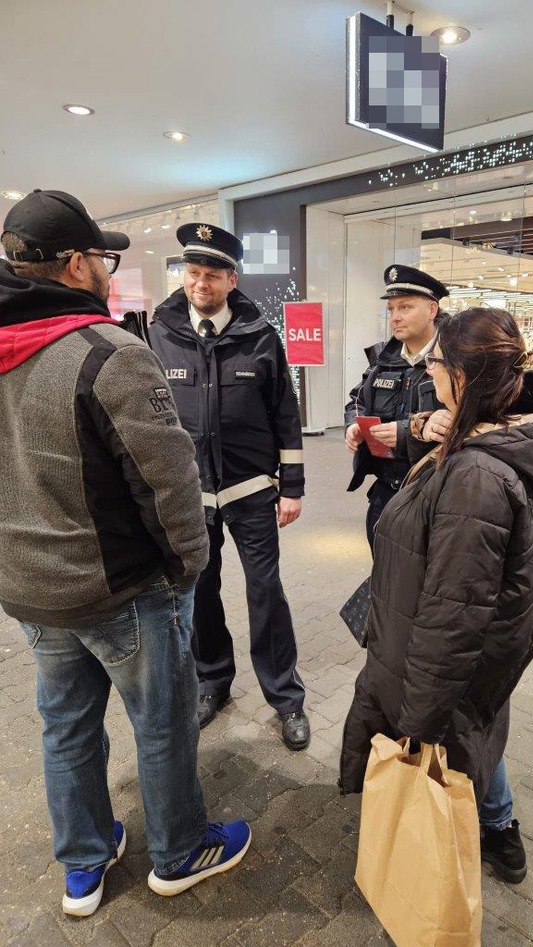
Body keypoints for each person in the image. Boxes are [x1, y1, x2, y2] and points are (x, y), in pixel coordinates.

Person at [0, 190, 251, 918]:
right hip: (120, 587)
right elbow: (170, 484)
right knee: (163, 721)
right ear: (77, 264)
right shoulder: (109, 353)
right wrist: (188, 567)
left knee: (66, 724)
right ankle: (179, 851)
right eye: (104, 258)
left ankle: (83, 863)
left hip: (31, 590)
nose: (110, 271)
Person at [339, 307, 533, 886]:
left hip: (437, 657)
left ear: (462, 378)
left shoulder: (476, 479)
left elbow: (454, 619)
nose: (430, 373)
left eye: (438, 364)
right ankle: (497, 828)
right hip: (441, 648)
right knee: (475, 731)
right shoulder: (481, 434)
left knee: (456, 743)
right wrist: (423, 426)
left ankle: (459, 858)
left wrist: (419, 723)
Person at [149, 223, 309, 748]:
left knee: (266, 592)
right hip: (191, 497)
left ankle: (286, 697)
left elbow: (286, 414)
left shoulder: (261, 336)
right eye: (192, 273)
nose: (200, 283)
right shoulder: (160, 335)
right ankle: (212, 682)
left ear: (231, 279)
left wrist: (293, 486)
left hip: (252, 492)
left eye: (211, 275)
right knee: (202, 593)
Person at [344, 264, 448, 551]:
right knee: (384, 582)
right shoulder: (383, 359)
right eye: (391, 309)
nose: (395, 317)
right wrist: (354, 424)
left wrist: (407, 432)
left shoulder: (455, 360)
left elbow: (470, 419)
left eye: (405, 307)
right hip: (385, 495)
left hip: (434, 499)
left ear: (432, 309)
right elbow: (356, 400)